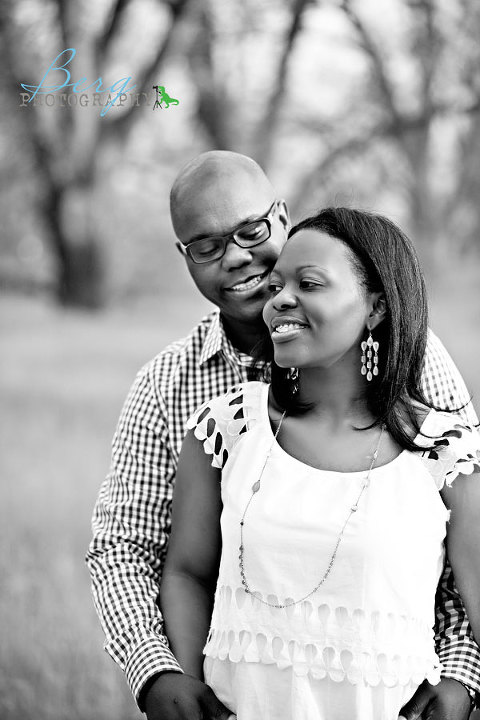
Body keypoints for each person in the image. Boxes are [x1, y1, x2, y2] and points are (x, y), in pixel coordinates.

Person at [86, 152, 480, 720]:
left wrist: (461, 676)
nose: (236, 257)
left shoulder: (414, 368)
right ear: (185, 256)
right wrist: (160, 673)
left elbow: (454, 548)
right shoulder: (179, 393)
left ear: (281, 217)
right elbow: (127, 548)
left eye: (251, 231)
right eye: (206, 246)